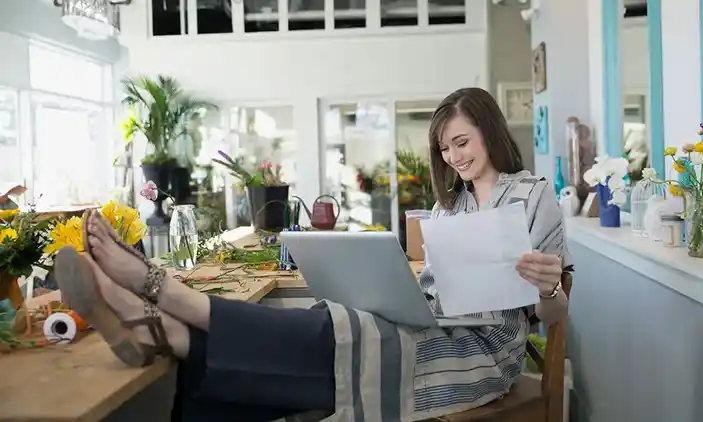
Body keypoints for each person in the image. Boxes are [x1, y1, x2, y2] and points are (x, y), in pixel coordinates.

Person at [53, 87, 571, 422]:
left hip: (481, 350)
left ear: (488, 131)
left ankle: (164, 303)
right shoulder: (447, 207)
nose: (455, 157)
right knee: (337, 325)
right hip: (432, 326)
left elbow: (552, 316)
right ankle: (167, 329)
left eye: (461, 142)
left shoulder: (531, 194)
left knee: (330, 341)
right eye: (445, 149)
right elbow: (431, 289)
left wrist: (549, 288)